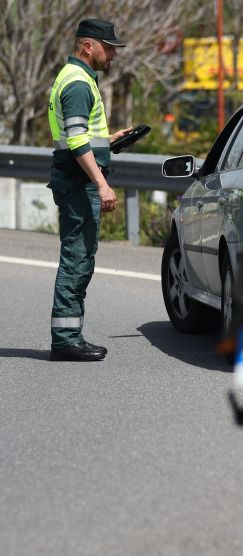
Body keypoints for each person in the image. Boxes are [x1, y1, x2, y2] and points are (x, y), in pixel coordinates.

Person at [47, 19, 132, 361]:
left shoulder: (77, 78)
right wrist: (102, 182)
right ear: (88, 46)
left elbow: (78, 136)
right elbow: (78, 140)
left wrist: (108, 141)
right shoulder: (79, 83)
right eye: (108, 47)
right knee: (77, 258)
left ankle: (70, 336)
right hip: (79, 184)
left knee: (80, 256)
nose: (112, 54)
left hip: (74, 179)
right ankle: (66, 339)